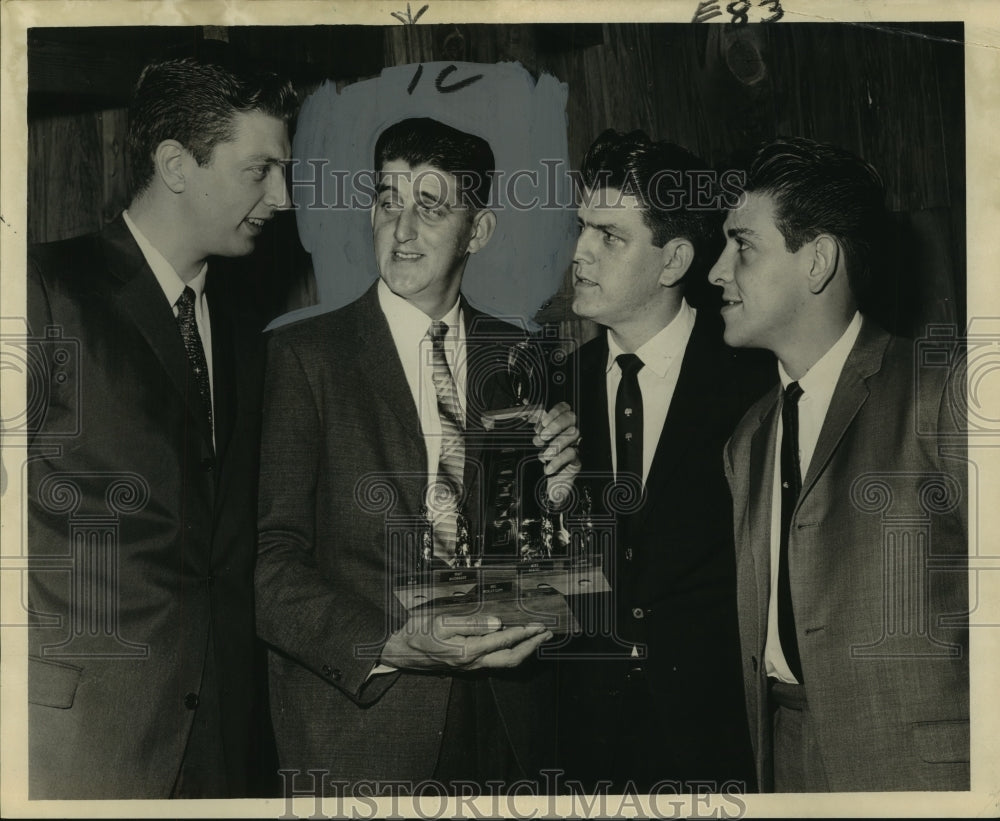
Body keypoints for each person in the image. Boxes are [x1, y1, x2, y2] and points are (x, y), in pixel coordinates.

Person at [255, 116, 580, 792]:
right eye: (387, 200)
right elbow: (267, 563)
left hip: (511, 729)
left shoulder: (522, 356)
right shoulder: (302, 357)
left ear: (479, 230)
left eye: (429, 207)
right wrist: (388, 644)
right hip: (364, 734)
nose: (400, 230)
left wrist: (561, 500)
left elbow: (549, 563)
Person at [25, 57, 296, 798]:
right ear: (176, 165)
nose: (282, 195)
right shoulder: (44, 288)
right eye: (260, 170)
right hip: (79, 749)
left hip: (226, 748)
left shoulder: (248, 328)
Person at [710, 137, 968, 791]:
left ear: (817, 260)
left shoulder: (940, 392)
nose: (717, 271)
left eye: (741, 247)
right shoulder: (748, 438)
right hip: (786, 764)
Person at [554, 130, 769, 793]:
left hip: (722, 745)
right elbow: (532, 579)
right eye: (582, 229)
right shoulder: (549, 392)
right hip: (584, 748)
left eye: (609, 236)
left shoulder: (756, 380)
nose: (581, 253)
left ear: (673, 259)